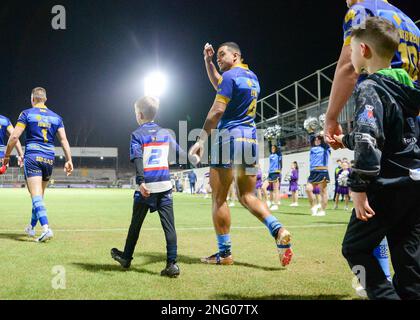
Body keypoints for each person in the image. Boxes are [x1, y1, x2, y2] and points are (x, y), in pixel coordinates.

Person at [335, 17, 420, 299]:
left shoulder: (369, 87)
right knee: (407, 257)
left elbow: (369, 141)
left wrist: (358, 188)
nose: (351, 54)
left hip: (385, 187)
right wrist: (346, 139)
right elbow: (388, 133)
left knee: (354, 248)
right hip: (413, 186)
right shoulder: (406, 87)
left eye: (353, 49)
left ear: (365, 51)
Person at [189, 42, 293, 266]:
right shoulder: (252, 77)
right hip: (249, 139)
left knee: (219, 198)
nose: (218, 57)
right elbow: (220, 82)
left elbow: (217, 110)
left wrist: (200, 140)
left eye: (222, 54)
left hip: (228, 137)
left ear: (235, 55)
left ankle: (224, 254)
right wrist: (208, 62)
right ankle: (278, 229)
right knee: (248, 196)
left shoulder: (229, 77)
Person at [325, 0, 420, 150]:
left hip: (381, 114)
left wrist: (331, 118)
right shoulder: (411, 24)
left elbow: (349, 66)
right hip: (412, 122)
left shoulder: (361, 10)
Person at [111, 96, 181, 278]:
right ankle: (172, 264)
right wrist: (194, 156)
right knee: (169, 226)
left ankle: (126, 257)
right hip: (165, 184)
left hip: (146, 186)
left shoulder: (137, 134)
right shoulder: (166, 133)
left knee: (135, 224)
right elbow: (178, 152)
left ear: (139, 114)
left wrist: (141, 181)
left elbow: (138, 158)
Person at [2, 87, 73, 242]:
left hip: (33, 156)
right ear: (45, 99)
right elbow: (63, 140)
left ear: (32, 99)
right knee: (39, 196)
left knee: (35, 195)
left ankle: (46, 228)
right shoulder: (56, 117)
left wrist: (7, 157)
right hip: (49, 158)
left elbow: (14, 137)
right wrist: (69, 159)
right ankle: (31, 227)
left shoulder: (26, 114)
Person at [306, 132, 331, 217]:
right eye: (315, 139)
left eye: (318, 139)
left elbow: (325, 139)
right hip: (313, 172)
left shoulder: (325, 147)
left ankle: (322, 210)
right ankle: (314, 206)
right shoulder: (312, 148)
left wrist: (322, 133)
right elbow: (311, 137)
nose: (316, 140)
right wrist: (313, 132)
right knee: (308, 189)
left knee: (323, 192)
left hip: (322, 171)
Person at [263, 145, 282, 210]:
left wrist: (279, 172)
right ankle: (268, 201)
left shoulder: (278, 155)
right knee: (263, 187)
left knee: (275, 190)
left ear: (276, 149)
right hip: (270, 174)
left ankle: (275, 205)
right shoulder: (271, 155)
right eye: (271, 148)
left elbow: (280, 163)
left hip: (275, 173)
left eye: (273, 148)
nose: (272, 149)